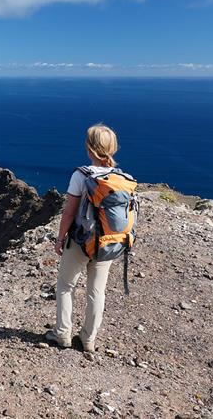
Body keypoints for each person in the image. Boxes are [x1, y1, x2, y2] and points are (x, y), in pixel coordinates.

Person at [50, 123, 119, 352]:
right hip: (107, 243)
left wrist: (60, 239)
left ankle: (63, 335)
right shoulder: (120, 178)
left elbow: (69, 211)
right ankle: (89, 340)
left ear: (90, 149)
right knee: (97, 291)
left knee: (65, 286)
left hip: (80, 241)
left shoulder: (81, 175)